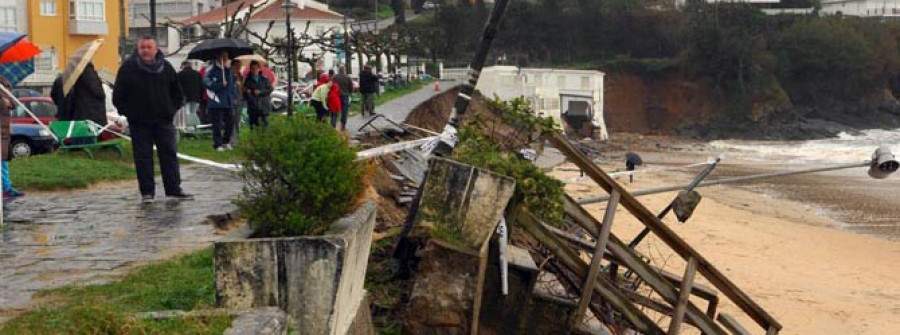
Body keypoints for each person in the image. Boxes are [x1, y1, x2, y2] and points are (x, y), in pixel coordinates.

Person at [112, 35, 191, 203]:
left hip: (163, 121)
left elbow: (178, 93)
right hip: (139, 123)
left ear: (156, 50)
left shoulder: (166, 68)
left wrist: (170, 110)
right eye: (142, 47)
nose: (146, 51)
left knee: (169, 155)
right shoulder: (127, 68)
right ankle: (147, 192)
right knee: (143, 158)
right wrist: (130, 113)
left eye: (149, 47)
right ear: (138, 49)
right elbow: (118, 97)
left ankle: (173, 189)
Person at [202, 50, 237, 151]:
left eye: (227, 56)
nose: (226, 58)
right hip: (216, 101)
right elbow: (206, 82)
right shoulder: (211, 68)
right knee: (217, 124)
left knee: (230, 122)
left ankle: (226, 141)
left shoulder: (227, 69)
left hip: (227, 100)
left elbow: (231, 85)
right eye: (224, 56)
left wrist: (233, 96)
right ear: (218, 56)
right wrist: (220, 85)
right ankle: (217, 144)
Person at [0, 78, 23, 200]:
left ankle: (6, 187)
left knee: (3, 160)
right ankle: (4, 187)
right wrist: (2, 102)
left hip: (4, 128)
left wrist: (8, 101)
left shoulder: (4, 82)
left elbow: (13, 103)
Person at [243, 61, 273, 128]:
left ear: (259, 69)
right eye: (252, 68)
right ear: (250, 69)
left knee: (265, 125)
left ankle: (265, 138)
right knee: (253, 126)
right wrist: (246, 92)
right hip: (253, 106)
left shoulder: (264, 79)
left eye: (256, 68)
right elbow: (245, 95)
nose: (254, 70)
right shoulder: (247, 80)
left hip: (263, 105)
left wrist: (260, 92)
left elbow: (270, 89)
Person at [177, 61, 203, 128]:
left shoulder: (180, 74)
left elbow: (177, 87)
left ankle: (189, 127)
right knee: (194, 112)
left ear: (183, 66)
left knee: (187, 112)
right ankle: (195, 126)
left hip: (185, 97)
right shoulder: (197, 73)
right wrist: (200, 96)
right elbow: (201, 85)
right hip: (196, 96)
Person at [229, 61, 244, 146]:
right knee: (232, 120)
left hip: (239, 100)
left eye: (240, 66)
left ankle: (236, 138)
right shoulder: (229, 75)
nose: (238, 68)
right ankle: (233, 140)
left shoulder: (240, 75)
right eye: (237, 66)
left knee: (237, 120)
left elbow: (241, 87)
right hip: (232, 100)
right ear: (233, 66)